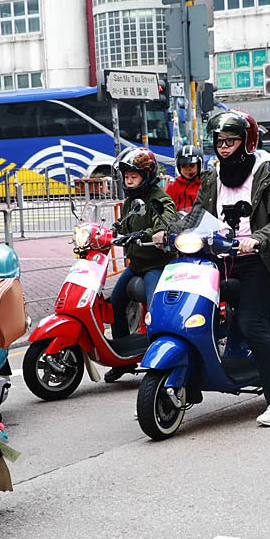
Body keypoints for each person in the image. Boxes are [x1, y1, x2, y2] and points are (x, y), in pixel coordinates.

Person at [188, 109, 270, 427]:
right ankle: (179, 383)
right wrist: (173, 232)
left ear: (246, 142)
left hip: (259, 261)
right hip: (218, 260)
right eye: (219, 141)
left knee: (252, 323)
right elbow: (198, 212)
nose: (224, 147)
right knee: (190, 310)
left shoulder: (266, 173)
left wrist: (256, 239)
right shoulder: (213, 173)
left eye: (230, 141)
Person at [106, 147, 178, 383]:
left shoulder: (160, 199)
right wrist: (113, 230)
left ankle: (160, 360)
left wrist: (143, 233)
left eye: (133, 177)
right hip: (136, 264)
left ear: (146, 176)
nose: (129, 181)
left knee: (157, 311)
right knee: (115, 303)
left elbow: (166, 222)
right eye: (126, 177)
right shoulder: (130, 201)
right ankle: (121, 360)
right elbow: (124, 224)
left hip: (156, 265)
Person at [167, 145, 203, 213]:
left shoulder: (204, 186)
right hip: (177, 222)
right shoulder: (173, 187)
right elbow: (167, 207)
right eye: (184, 166)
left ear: (199, 166)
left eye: (192, 165)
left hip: (200, 221)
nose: (188, 169)